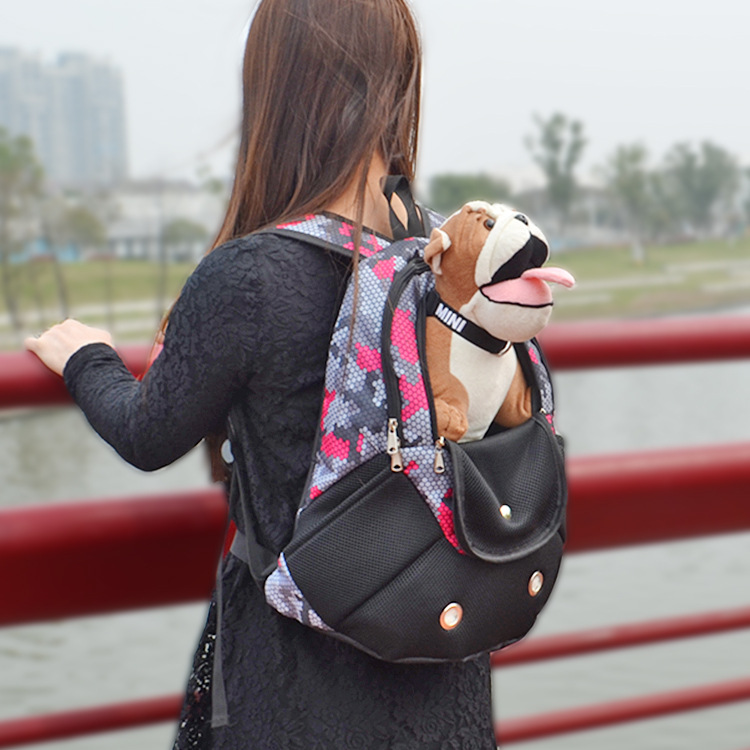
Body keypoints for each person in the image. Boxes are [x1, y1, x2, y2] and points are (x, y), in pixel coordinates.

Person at [25, 0, 497, 747]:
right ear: (400, 83)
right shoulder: (449, 260)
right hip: (443, 669)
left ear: (274, 90)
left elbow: (149, 433)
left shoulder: (251, 276)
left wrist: (86, 358)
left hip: (301, 689)